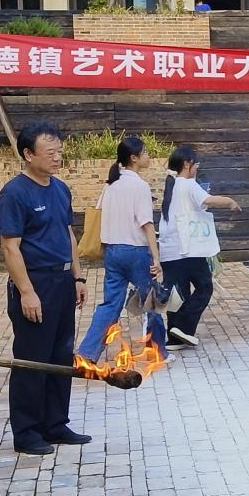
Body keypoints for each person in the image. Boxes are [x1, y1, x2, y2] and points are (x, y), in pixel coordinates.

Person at [0, 122, 91, 457]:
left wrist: (78, 278)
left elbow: (68, 234)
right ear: (28, 154)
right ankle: (27, 432)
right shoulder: (15, 193)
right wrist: (26, 292)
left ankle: (56, 423)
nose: (57, 157)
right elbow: (10, 247)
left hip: (62, 282)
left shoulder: (60, 189)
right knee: (32, 359)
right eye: (49, 152)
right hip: (35, 283)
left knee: (60, 355)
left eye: (59, 152)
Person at [76, 137, 170, 364]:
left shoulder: (110, 186)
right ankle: (158, 352)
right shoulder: (140, 186)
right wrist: (156, 257)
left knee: (110, 304)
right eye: (145, 152)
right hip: (136, 251)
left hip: (112, 251)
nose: (148, 156)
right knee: (151, 301)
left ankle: (87, 353)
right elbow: (147, 224)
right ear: (134, 158)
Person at [159, 146, 241, 350]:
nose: (197, 168)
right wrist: (230, 201)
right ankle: (182, 327)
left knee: (178, 295)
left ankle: (174, 339)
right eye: (196, 164)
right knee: (204, 287)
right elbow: (207, 200)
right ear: (187, 164)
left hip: (169, 250)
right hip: (188, 249)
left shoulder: (172, 186)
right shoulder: (188, 184)